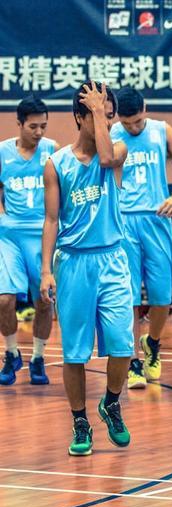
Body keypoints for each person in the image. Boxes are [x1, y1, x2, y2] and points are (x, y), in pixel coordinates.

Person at [41, 82, 133, 456]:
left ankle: (111, 402)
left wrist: (101, 112)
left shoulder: (117, 150)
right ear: (79, 118)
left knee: (123, 343)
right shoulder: (56, 164)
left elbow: (108, 158)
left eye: (108, 116)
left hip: (112, 258)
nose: (105, 123)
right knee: (75, 353)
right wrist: (46, 271)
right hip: (74, 263)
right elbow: (51, 220)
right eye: (97, 116)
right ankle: (80, 421)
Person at [111, 86, 172, 390]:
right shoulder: (111, 134)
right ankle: (134, 362)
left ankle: (153, 342)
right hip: (124, 221)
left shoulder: (162, 130)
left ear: (145, 109)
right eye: (127, 123)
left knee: (163, 297)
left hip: (157, 219)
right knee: (130, 296)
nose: (133, 128)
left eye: (137, 121)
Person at [0, 96, 58, 386]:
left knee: (44, 301)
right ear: (19, 124)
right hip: (9, 236)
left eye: (43, 126)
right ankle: (11, 353)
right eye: (33, 126)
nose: (39, 132)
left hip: (43, 234)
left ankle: (38, 358)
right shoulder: (2, 152)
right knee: (4, 299)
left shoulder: (52, 150)